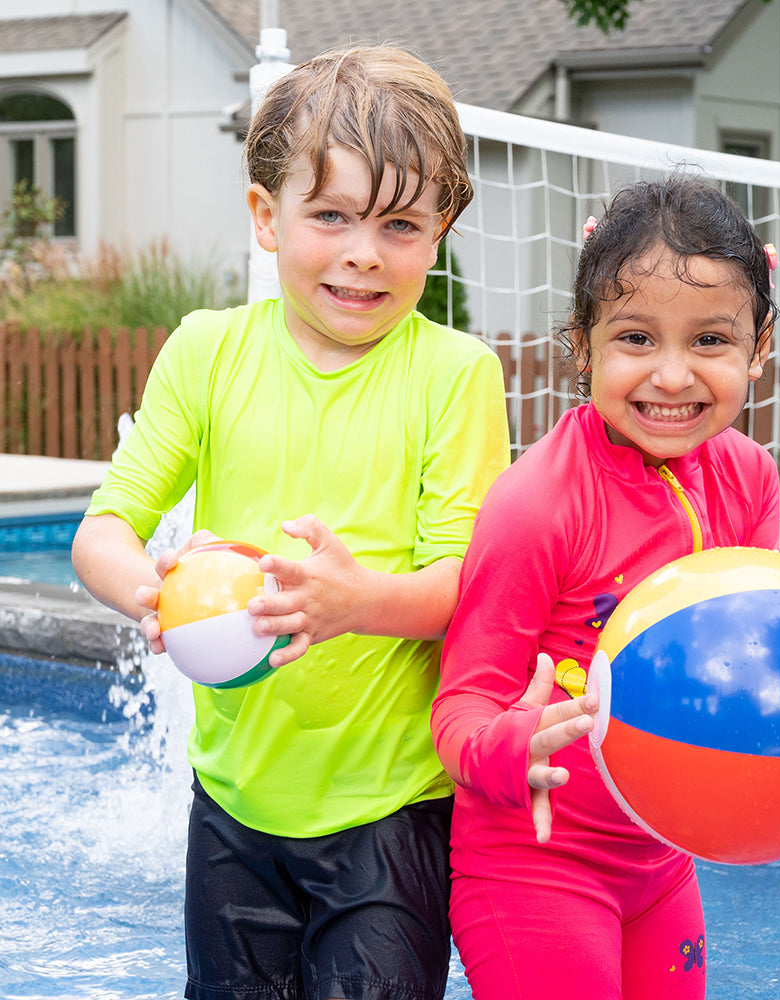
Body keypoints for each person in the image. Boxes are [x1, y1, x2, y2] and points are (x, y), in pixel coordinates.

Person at [430, 178, 780, 1000]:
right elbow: (460, 707)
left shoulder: (746, 479)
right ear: (582, 343)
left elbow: (759, 645)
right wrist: (512, 748)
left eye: (709, 339)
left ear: (759, 346)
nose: (672, 376)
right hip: (537, 864)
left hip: (661, 859)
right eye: (636, 337)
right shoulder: (538, 506)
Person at [71, 45, 510, 1000]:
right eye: (331, 216)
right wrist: (149, 592)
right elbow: (104, 527)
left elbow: (463, 589)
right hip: (232, 803)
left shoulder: (456, 376)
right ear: (266, 218)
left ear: (441, 232)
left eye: (400, 224)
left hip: (389, 813)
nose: (363, 252)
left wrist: (356, 602)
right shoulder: (206, 353)